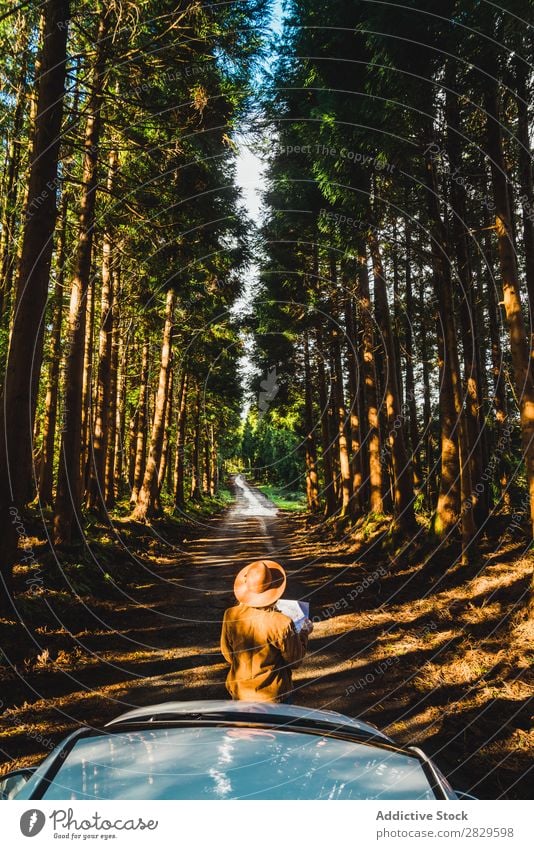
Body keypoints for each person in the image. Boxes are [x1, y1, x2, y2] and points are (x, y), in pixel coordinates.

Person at [220, 559, 312, 703]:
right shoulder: (282, 622)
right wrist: (304, 633)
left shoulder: (230, 614)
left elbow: (228, 655)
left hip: (240, 692)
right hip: (274, 696)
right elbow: (295, 661)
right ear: (274, 588)